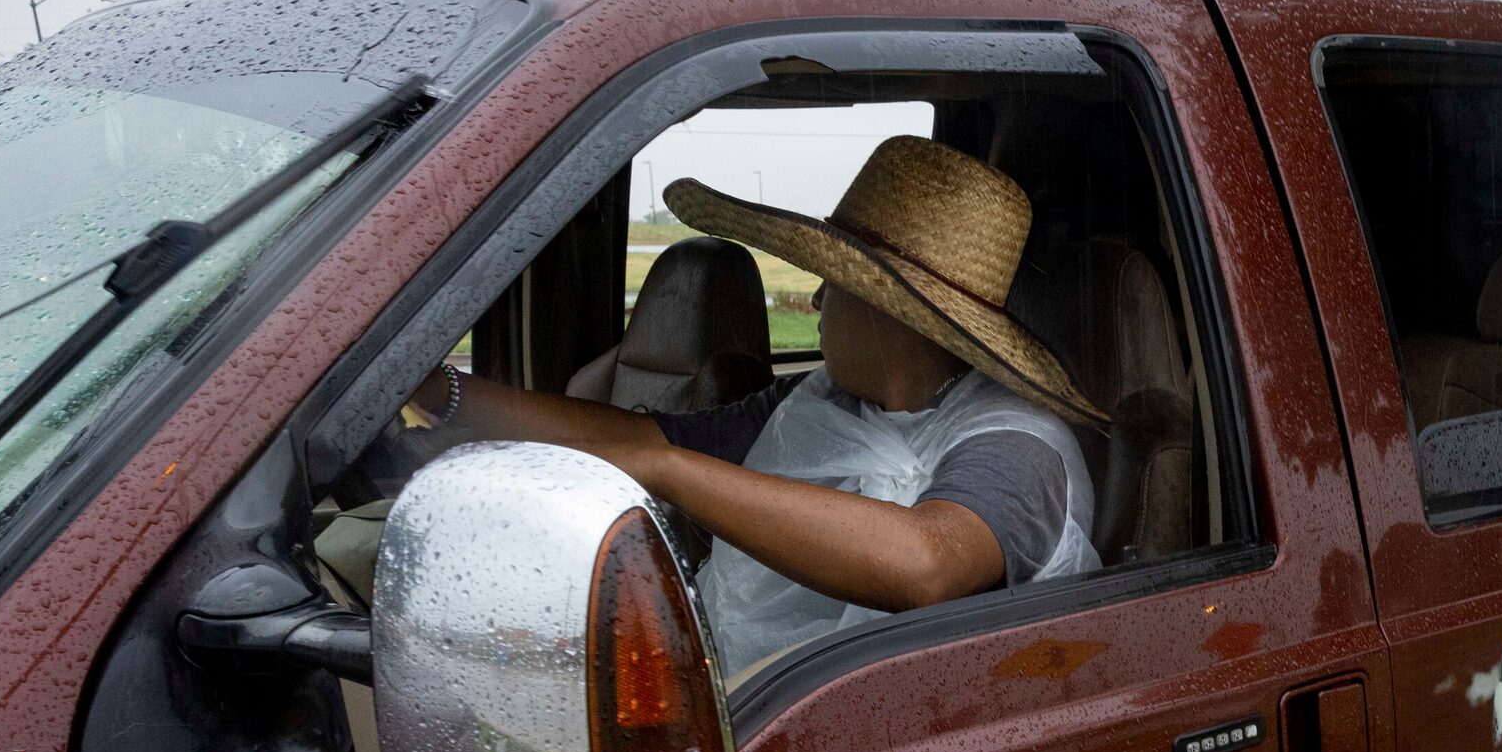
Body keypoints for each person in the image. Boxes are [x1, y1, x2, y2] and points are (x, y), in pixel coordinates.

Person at [402, 136, 1106, 678]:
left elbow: (930, 561)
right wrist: (446, 397)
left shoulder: (1019, 446)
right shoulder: (823, 401)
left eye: (835, 283)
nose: (819, 302)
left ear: (894, 316)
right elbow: (638, 432)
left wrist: (664, 470)